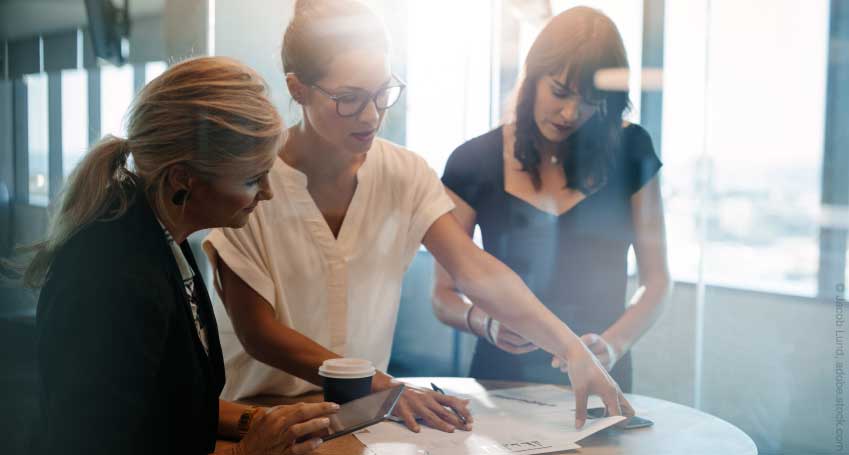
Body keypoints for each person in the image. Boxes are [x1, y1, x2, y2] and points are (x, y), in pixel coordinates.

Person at [203, 0, 633, 434]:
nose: (371, 115)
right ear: (297, 89)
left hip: (361, 422)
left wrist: (573, 348)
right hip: (259, 422)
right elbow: (258, 332)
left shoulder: (404, 174)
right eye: (349, 99)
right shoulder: (248, 178)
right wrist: (386, 387)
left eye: (381, 92)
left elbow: (475, 270)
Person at [29, 57, 338, 455]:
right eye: (251, 178)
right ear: (183, 180)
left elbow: (172, 405)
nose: (267, 192)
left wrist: (263, 422)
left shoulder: (162, 236)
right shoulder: (109, 278)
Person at [433, 6, 672, 392]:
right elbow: (443, 296)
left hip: (600, 375)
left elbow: (657, 281)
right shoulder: (473, 161)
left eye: (590, 101)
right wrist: (486, 324)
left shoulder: (632, 150)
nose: (569, 112)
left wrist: (612, 346)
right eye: (559, 92)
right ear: (532, 77)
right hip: (501, 379)